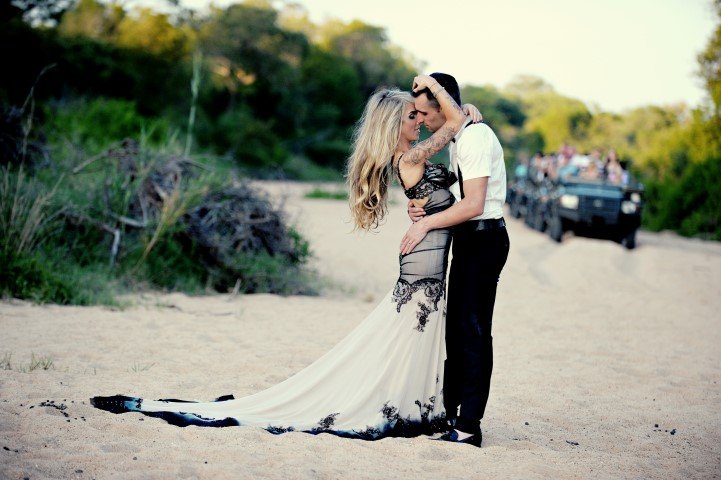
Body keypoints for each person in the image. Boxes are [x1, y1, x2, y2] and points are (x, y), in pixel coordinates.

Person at [91, 76, 483, 442]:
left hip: (427, 271)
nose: (418, 121)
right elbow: (453, 124)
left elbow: (452, 170)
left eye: (418, 114)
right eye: (410, 116)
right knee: (401, 343)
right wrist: (450, 98)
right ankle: (400, 410)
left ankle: (412, 408)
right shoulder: (410, 159)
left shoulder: (414, 159)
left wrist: (428, 212)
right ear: (392, 124)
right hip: (420, 275)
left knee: (406, 345)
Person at [402, 72, 510, 448]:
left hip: (485, 238)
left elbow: (475, 203)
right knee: (457, 330)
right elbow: (451, 187)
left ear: (441, 106)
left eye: (425, 113)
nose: (423, 120)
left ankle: (468, 426)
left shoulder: (475, 137)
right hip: (468, 239)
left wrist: (425, 223)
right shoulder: (461, 134)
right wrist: (421, 202)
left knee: (474, 330)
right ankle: (451, 413)